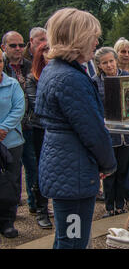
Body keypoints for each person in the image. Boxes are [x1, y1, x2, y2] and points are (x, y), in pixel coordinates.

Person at [35, 8, 117, 249]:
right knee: (73, 241)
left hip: (64, 167)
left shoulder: (55, 70)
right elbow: (93, 131)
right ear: (78, 37)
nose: (96, 42)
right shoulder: (70, 78)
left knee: (66, 239)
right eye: (93, 35)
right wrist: (108, 163)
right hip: (74, 175)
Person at [93, 47, 129, 217]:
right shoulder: (94, 82)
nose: (109, 65)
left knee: (123, 170)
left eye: (111, 61)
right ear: (99, 65)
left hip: (127, 134)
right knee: (108, 173)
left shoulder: (128, 78)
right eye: (105, 63)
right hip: (107, 135)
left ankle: (121, 204)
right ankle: (109, 207)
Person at [1, 31, 36, 215]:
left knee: (26, 169)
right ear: (3, 47)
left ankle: (30, 204)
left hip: (24, 128)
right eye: (13, 45)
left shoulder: (29, 67)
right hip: (7, 131)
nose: (18, 49)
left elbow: (21, 104)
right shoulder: (4, 67)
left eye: (21, 45)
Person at [25, 42, 53, 229]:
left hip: (56, 128)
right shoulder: (32, 79)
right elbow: (38, 105)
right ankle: (41, 208)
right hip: (40, 129)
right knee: (40, 168)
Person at [0, 54, 25, 238]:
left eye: (0, 61)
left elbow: (19, 108)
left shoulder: (12, 84)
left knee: (11, 181)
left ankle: (8, 221)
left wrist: (3, 128)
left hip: (11, 141)